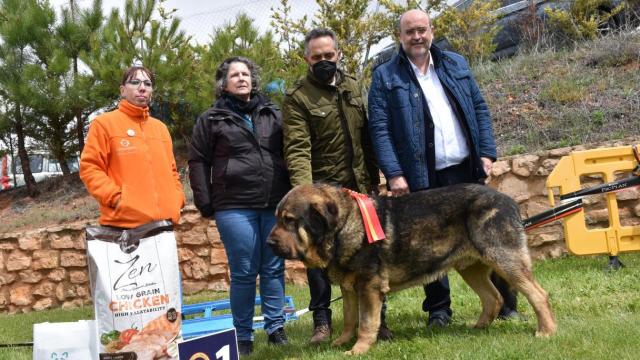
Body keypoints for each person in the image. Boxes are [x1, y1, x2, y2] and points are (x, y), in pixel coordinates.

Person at [367, 9, 519, 328]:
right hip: (422, 174)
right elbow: (379, 128)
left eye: (422, 29)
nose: (417, 36)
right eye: (410, 32)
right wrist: (394, 173)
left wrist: (487, 152)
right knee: (427, 245)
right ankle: (439, 310)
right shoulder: (385, 75)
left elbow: (479, 107)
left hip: (465, 168)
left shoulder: (456, 63)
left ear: (431, 30)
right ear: (400, 36)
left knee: (488, 237)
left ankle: (508, 304)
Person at [282, 28, 392, 344]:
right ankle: (322, 323)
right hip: (323, 196)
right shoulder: (298, 97)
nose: (324, 61)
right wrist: (306, 196)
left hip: (358, 190)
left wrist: (375, 178)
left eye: (329, 55)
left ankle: (377, 321)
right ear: (307, 59)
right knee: (319, 261)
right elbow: (298, 148)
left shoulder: (353, 86)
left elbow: (365, 138)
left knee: (371, 257)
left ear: (338, 54)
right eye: (317, 57)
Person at [188, 56, 291, 356]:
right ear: (223, 83)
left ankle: (276, 328)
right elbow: (197, 161)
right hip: (233, 205)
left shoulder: (273, 112)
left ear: (253, 79)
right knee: (244, 271)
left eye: (246, 73)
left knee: (273, 268)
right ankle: (243, 335)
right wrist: (205, 201)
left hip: (274, 202)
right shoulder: (211, 119)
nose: (242, 78)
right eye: (235, 75)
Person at [80, 65, 184, 229]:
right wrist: (116, 199)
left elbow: (172, 171)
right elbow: (90, 168)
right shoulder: (104, 124)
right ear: (122, 90)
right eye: (135, 82)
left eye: (147, 84)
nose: (142, 88)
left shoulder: (161, 129)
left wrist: (177, 199)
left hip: (165, 225)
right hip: (124, 226)